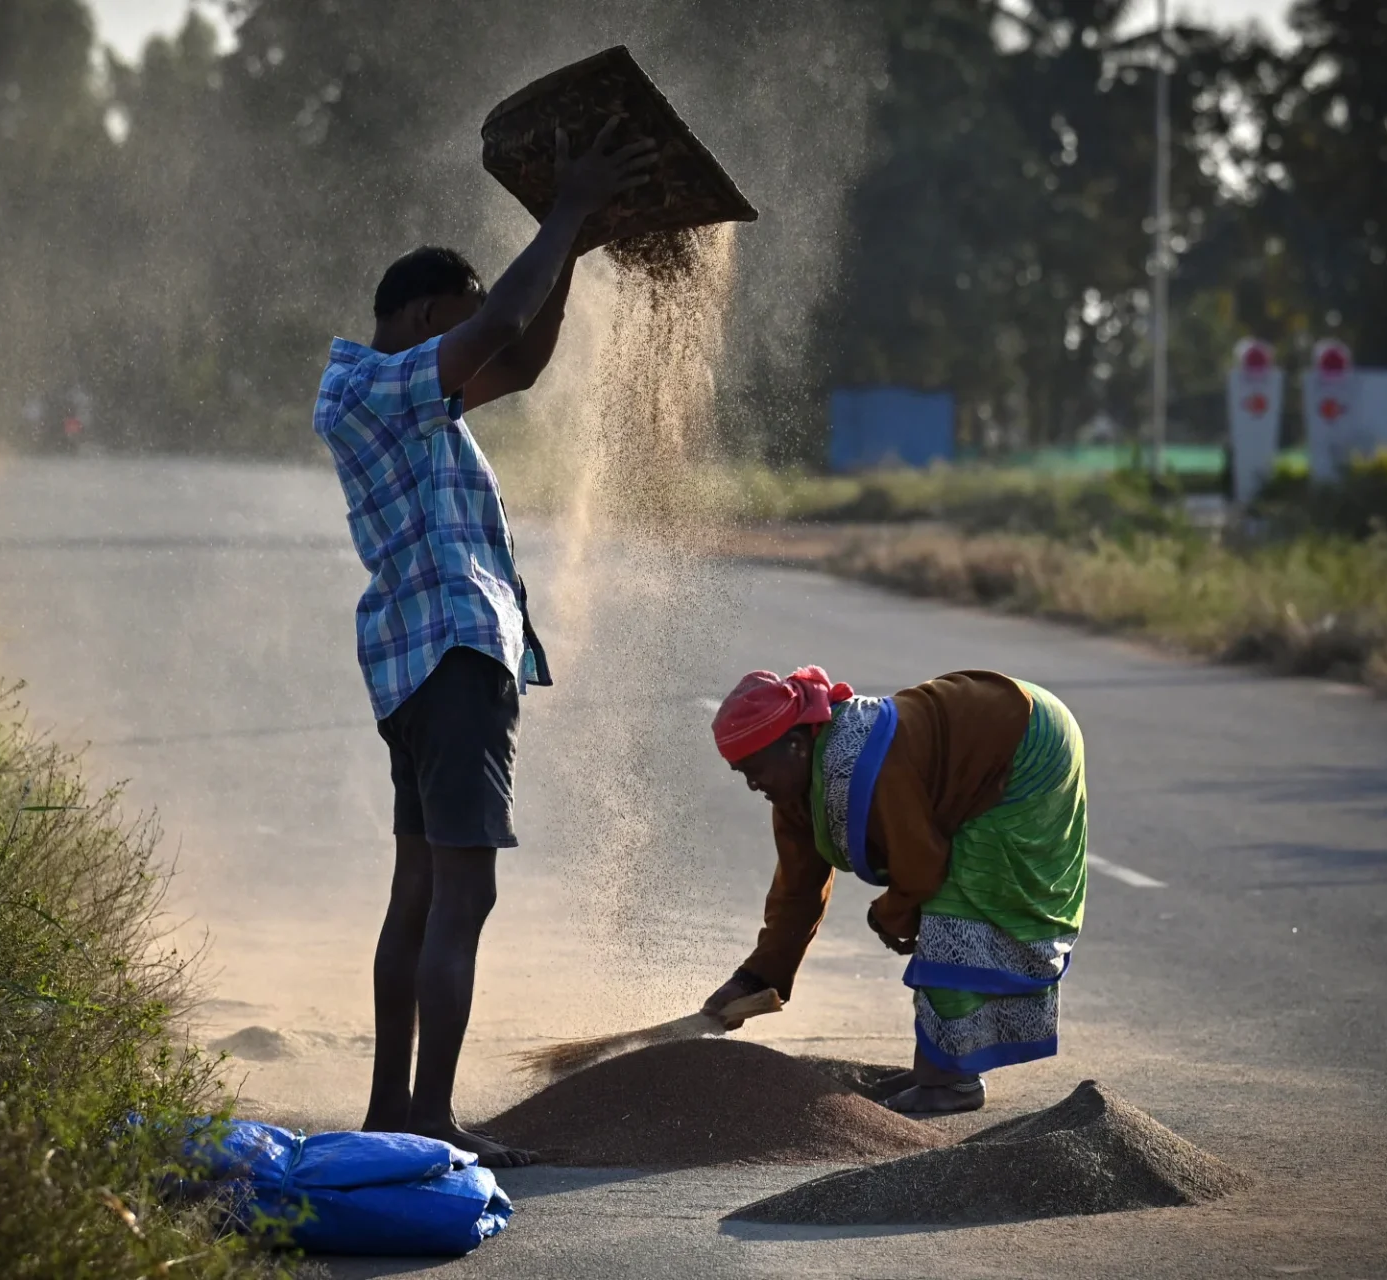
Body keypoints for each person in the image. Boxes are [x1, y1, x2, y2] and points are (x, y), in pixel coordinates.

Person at [313, 118, 657, 1167]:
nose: (476, 348)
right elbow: (502, 315)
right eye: (454, 329)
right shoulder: (383, 384)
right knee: (464, 891)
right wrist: (562, 209)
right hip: (453, 656)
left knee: (418, 889)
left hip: (422, 665)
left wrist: (580, 247)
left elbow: (526, 351)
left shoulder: (412, 399)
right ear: (421, 316)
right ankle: (426, 1113)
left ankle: (392, 1105)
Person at [702, 667, 1087, 1115]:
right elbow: (797, 892)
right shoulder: (798, 789)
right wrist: (754, 979)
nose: (751, 784)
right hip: (988, 731)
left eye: (754, 769)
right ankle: (938, 1067)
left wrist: (889, 913)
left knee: (958, 908)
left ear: (795, 745)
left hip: (1025, 741)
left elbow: (921, 868)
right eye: (740, 773)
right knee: (942, 912)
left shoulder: (865, 762)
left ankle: (950, 1081)